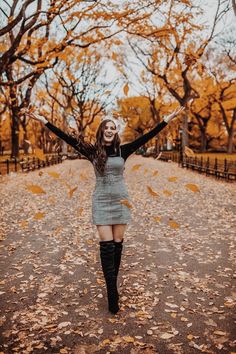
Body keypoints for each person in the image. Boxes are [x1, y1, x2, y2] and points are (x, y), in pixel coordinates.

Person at [26, 105, 185, 314]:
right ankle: (112, 291)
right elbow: (67, 138)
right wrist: (43, 120)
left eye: (113, 128)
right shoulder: (92, 151)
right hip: (101, 200)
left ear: (115, 131)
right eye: (106, 127)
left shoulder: (123, 150)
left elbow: (148, 136)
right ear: (102, 131)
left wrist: (167, 119)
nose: (110, 130)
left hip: (120, 200)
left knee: (118, 244)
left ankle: (113, 283)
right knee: (106, 246)